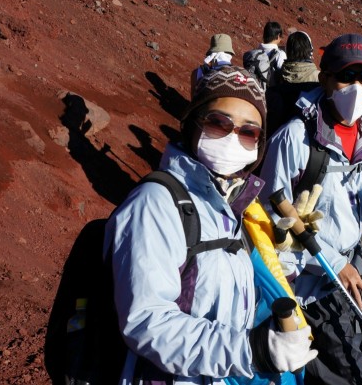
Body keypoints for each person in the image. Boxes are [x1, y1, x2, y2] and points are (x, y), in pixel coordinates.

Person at [107, 66, 316, 384]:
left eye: (249, 132)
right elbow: (146, 321)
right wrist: (251, 351)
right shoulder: (155, 204)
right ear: (192, 124)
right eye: (219, 123)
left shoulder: (232, 210)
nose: (234, 137)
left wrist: (286, 252)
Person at [260, 34, 362, 385]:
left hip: (349, 266)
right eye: (347, 77)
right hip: (312, 283)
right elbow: (272, 217)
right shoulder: (294, 139)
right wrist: (334, 262)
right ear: (324, 77)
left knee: (351, 347)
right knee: (347, 368)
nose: (357, 88)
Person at [266, 31, 320, 133]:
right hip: (306, 135)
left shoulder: (276, 75)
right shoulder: (318, 78)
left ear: (288, 51)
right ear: (309, 51)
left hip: (276, 131)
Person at [243, 21, 287, 91]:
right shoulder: (280, 54)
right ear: (278, 36)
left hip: (254, 90)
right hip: (271, 94)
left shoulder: (254, 53)